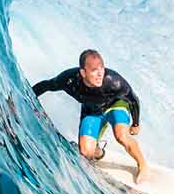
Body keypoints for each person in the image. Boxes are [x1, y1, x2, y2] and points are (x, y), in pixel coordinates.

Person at [32, 49, 149, 183]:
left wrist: (135, 124)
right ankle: (99, 152)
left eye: (102, 69)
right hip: (92, 110)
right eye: (94, 70)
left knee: (121, 136)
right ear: (83, 72)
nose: (100, 74)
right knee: (86, 152)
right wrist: (26, 98)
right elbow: (46, 85)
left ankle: (142, 165)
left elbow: (133, 100)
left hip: (115, 105)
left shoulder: (114, 82)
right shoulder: (69, 80)